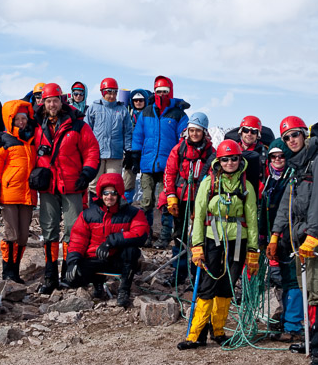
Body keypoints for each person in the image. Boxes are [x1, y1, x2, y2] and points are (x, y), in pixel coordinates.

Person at [177, 139, 259, 350]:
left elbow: (251, 218)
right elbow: (199, 215)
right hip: (212, 240)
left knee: (227, 286)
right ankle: (196, 334)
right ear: (218, 161)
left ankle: (219, 331)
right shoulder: (209, 183)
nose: (230, 162)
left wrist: (253, 250)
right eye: (225, 159)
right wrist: (197, 245)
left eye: (234, 158)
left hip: (238, 241)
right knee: (207, 285)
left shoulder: (246, 185)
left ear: (240, 160)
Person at [271, 116, 318, 365]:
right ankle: (310, 339)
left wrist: (314, 234)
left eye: (295, 134)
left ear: (305, 134)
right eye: (287, 137)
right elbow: (287, 202)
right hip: (300, 238)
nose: (291, 140)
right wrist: (276, 233)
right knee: (306, 287)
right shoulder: (297, 166)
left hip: (317, 237)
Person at [32, 83, 100, 294]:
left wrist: (87, 173)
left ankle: (70, 273)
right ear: (43, 102)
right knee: (49, 230)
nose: (52, 104)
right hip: (48, 186)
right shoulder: (36, 125)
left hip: (72, 184)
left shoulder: (78, 124)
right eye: (48, 100)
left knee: (74, 230)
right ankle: (50, 275)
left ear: (62, 101)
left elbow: (91, 149)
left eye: (55, 100)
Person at [65, 173, 149, 307]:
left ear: (119, 194)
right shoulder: (88, 214)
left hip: (117, 259)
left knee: (132, 251)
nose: (109, 196)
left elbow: (141, 232)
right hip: (95, 257)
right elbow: (77, 239)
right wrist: (72, 260)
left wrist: (111, 241)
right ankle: (97, 284)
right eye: (106, 193)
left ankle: (124, 290)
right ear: (100, 194)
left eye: (113, 193)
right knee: (72, 277)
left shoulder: (133, 213)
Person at [130, 76, 188, 247]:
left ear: (171, 92)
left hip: (168, 167)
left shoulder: (179, 114)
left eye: (165, 92)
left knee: (166, 202)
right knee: (146, 201)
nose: (161, 95)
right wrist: (135, 156)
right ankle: (146, 234)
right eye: (158, 91)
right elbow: (138, 135)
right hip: (148, 164)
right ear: (154, 92)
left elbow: (182, 140)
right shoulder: (147, 112)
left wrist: (179, 162)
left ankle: (164, 236)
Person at [159, 113, 216, 288]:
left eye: (197, 131)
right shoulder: (179, 149)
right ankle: (180, 272)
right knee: (179, 236)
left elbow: (212, 177)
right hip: (181, 198)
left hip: (200, 199)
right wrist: (170, 197)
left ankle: (195, 273)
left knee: (198, 237)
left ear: (204, 131)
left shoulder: (210, 153)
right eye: (191, 130)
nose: (194, 134)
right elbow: (169, 173)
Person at [0, 99, 37, 283]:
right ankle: (8, 272)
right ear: (10, 120)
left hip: (27, 195)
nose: (22, 122)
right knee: (11, 234)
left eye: (24, 118)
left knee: (23, 236)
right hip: (8, 196)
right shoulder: (2, 141)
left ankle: (15, 270)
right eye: (18, 119)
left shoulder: (31, 140)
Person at [260, 139, 303, 342]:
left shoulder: (292, 178)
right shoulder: (271, 179)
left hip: (290, 237)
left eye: (281, 156)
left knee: (292, 279)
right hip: (275, 237)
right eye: (273, 156)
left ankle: (292, 324)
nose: (277, 160)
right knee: (282, 279)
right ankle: (287, 320)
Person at [85, 77, 133, 199]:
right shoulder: (94, 108)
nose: (112, 95)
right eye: (109, 92)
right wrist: (86, 150)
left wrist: (128, 151)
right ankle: (95, 211)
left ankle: (112, 214)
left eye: (114, 92)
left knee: (113, 183)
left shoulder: (122, 110)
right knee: (94, 184)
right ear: (102, 92)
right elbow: (86, 131)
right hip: (96, 154)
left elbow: (128, 132)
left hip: (115, 155)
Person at [121, 89, 151, 202]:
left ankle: (147, 206)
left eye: (141, 100)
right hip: (130, 152)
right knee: (128, 181)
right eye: (135, 100)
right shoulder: (128, 114)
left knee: (148, 181)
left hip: (146, 152)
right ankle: (126, 204)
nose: (138, 102)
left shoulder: (150, 115)